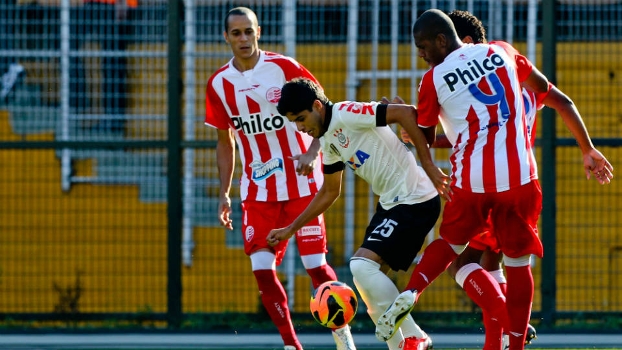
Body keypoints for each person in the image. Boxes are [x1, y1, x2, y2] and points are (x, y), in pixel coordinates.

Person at [376, 9, 614, 350]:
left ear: (448, 40)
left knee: (458, 255)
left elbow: (431, 135)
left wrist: (406, 122)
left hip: (472, 182)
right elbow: (558, 99)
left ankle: (418, 291)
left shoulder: (435, 78)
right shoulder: (506, 55)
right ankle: (509, 340)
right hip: (519, 177)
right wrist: (587, 149)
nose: (421, 54)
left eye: (423, 46)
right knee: (512, 264)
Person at [204, 7, 355, 350]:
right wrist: (224, 193)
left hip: (303, 184)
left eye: (249, 31)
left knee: (315, 266)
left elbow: (324, 110)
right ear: (225, 37)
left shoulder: (283, 67)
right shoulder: (219, 84)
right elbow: (224, 142)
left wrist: (313, 151)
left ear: (259, 31)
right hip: (258, 189)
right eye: (236, 33)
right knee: (261, 268)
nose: (243, 39)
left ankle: (341, 335)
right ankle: (291, 344)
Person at [267, 77, 447, 350]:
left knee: (360, 266)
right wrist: (292, 228)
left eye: (301, 118)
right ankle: (404, 346)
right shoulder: (328, 141)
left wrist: (428, 165)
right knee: (369, 290)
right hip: (391, 204)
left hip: (415, 199)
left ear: (317, 106)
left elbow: (405, 112)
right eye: (294, 122)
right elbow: (330, 192)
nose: (300, 127)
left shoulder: (346, 113)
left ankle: (417, 336)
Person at [71, 0, 135, 135]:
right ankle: (76, 105)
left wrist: (121, 4)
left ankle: (114, 120)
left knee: (113, 64)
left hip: (112, 5)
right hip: (93, 4)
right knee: (68, 48)